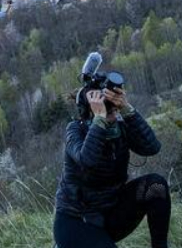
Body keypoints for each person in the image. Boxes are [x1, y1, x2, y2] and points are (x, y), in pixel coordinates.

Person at [53, 82, 170, 248]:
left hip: (111, 214)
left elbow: (152, 147)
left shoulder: (119, 126)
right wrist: (100, 121)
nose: (114, 117)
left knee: (156, 185)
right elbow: (87, 161)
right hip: (77, 221)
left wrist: (127, 108)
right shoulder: (74, 130)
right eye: (109, 112)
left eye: (115, 111)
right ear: (91, 113)